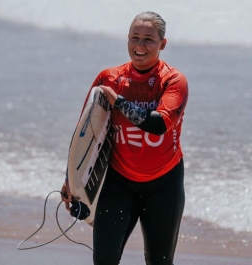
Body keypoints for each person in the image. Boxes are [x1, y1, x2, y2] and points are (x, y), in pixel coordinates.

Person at [61, 11, 189, 265]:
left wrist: (118, 102)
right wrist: (71, 179)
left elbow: (159, 124)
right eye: (135, 38)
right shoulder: (109, 78)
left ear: (162, 44)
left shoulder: (174, 81)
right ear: (127, 39)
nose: (140, 46)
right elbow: (84, 132)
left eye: (148, 40)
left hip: (164, 184)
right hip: (119, 183)